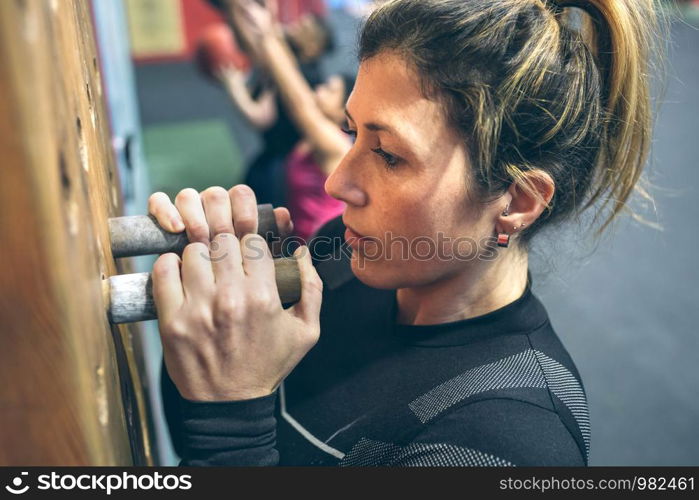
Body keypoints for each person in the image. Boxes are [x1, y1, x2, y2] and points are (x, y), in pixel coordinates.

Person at [148, 0, 666, 466]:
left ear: (517, 201)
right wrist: (215, 325)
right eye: (353, 131)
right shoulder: (342, 249)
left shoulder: (505, 442)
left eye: (390, 156)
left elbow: (223, 435)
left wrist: (234, 427)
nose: (337, 182)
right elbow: (192, 432)